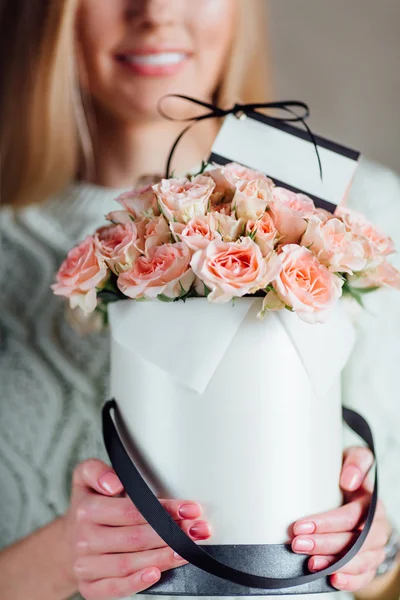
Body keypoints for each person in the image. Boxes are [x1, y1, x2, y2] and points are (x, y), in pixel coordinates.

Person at [0, 1, 398, 599]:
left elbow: (387, 564)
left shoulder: (361, 215)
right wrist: (61, 556)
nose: (156, 12)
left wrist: (371, 546)